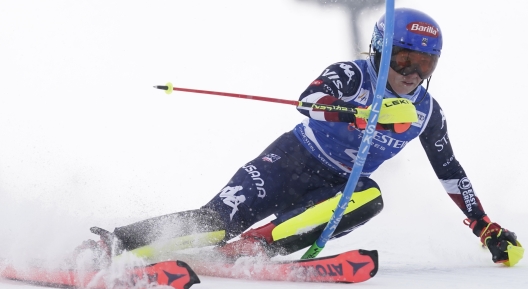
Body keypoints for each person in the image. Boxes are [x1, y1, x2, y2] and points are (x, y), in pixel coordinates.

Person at [77, 8, 522, 266]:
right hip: (288, 162)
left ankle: (252, 250)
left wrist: (485, 228)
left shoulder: (427, 113)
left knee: (369, 196)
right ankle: (111, 244)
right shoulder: (353, 73)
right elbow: (309, 100)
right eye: (404, 59)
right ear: (381, 51)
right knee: (214, 226)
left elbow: (450, 172)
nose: (411, 74)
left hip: (335, 187)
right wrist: (363, 115)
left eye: (425, 65)